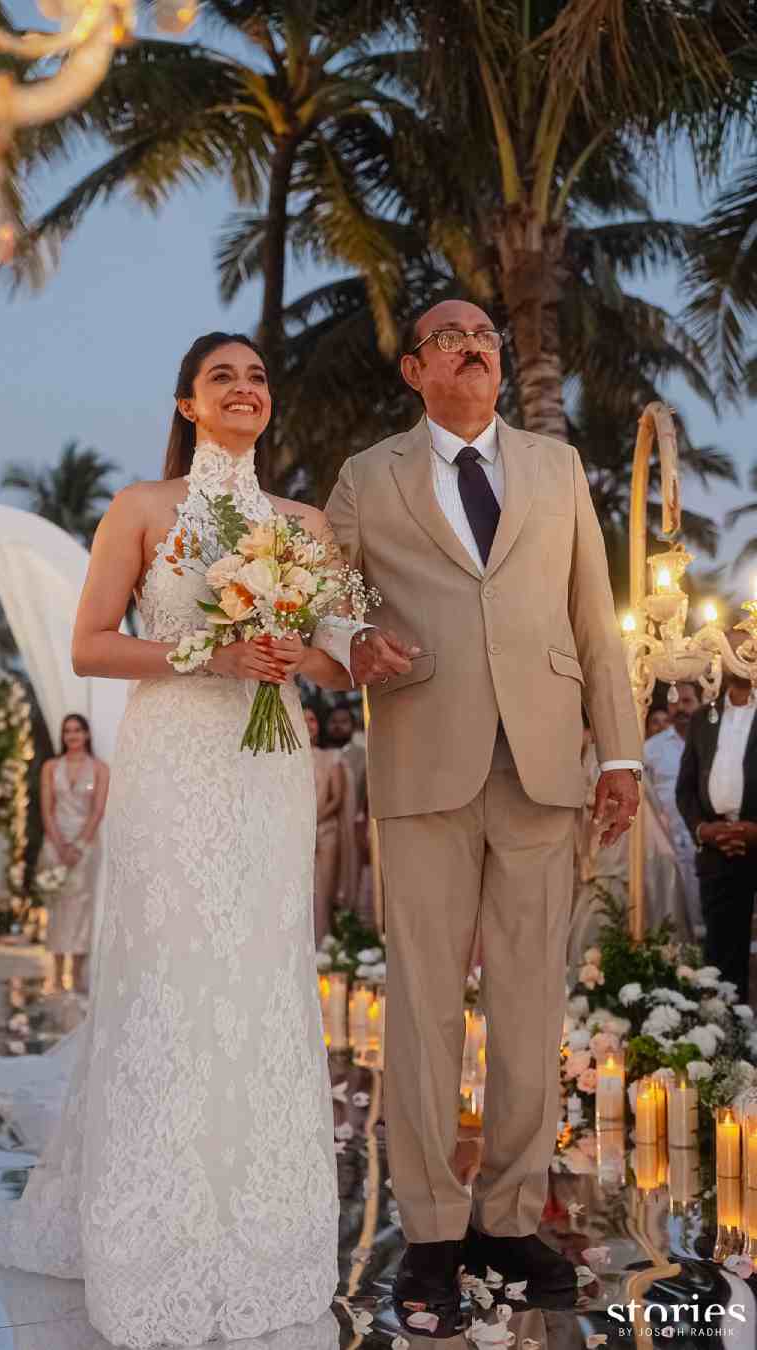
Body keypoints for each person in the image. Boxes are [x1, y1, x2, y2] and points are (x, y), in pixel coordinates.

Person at [0, 333, 347, 1349]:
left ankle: (263, 1227)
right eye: (222, 376)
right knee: (171, 975)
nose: (244, 389)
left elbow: (326, 653)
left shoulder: (304, 524)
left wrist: (298, 653)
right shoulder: (142, 508)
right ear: (187, 402)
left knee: (261, 974)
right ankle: (154, 1230)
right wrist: (206, 650)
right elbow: (92, 641)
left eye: (258, 376)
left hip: (268, 767)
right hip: (177, 761)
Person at [318, 298, 641, 1333]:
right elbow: (328, 594)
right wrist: (348, 644)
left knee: (531, 1005)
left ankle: (508, 1217)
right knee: (420, 1008)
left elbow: (596, 620)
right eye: (452, 339)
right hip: (423, 763)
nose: (475, 349)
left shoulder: (555, 468)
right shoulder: (370, 477)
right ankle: (429, 1232)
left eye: (488, 339)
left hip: (546, 767)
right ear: (415, 369)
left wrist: (622, 750)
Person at [676, 631, 757, 1003]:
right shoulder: (703, 719)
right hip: (716, 851)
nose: (740, 657)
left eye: (747, 649)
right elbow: (685, 789)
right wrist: (703, 829)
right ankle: (728, 1043)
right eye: (732, 650)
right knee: (722, 957)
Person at [38, 713, 110, 995]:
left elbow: (98, 811)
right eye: (67, 731)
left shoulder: (100, 768)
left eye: (78, 730)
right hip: (54, 843)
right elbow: (47, 809)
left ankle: (77, 974)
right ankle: (56, 973)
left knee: (81, 907)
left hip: (87, 846)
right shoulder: (50, 767)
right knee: (56, 906)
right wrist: (59, 845)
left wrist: (78, 846)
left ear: (87, 734)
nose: (73, 736)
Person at [644, 682, 702, 937]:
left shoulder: (711, 741)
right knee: (671, 918)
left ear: (701, 703)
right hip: (665, 846)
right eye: (675, 701)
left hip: (704, 839)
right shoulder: (651, 749)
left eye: (688, 701)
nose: (680, 708)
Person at [304, 705, 354, 946]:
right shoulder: (282, 758)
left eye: (312, 719)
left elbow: (337, 797)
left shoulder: (331, 757)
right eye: (302, 718)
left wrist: (314, 820)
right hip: (297, 834)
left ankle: (323, 948)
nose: (308, 724)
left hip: (326, 831)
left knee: (323, 891)